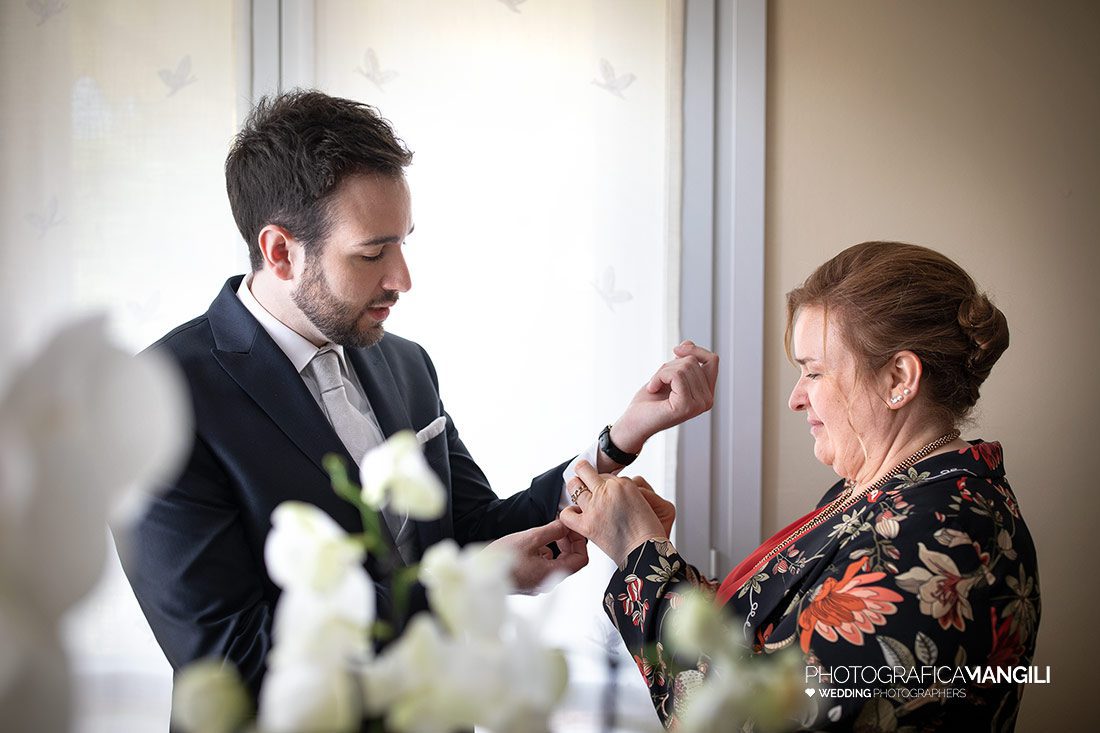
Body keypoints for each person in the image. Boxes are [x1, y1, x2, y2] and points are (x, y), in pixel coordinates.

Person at [118, 90, 719, 702]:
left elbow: (472, 527)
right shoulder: (154, 404)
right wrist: (475, 587)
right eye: (373, 252)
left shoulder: (405, 363)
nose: (402, 278)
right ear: (280, 252)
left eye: (403, 242)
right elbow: (232, 662)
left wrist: (619, 441)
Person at [561, 242, 1040, 731]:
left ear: (899, 377)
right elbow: (768, 645)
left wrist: (641, 554)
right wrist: (661, 555)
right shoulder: (878, 492)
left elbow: (748, 718)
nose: (795, 398)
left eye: (814, 371)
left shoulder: (944, 538)